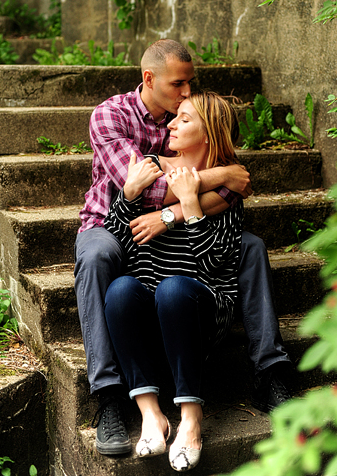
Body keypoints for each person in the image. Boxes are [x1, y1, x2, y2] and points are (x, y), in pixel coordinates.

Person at [74, 39, 292, 457]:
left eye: (191, 84)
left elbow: (228, 192)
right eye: (179, 84)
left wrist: (177, 211)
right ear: (149, 79)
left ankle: (271, 372)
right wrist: (221, 174)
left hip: (179, 225)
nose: (187, 93)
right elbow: (145, 189)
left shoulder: (188, 113)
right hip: (110, 223)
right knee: (99, 257)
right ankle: (109, 396)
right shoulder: (111, 115)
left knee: (250, 247)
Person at [103, 92, 243, 472]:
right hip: (150, 309)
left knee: (175, 289)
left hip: (201, 310)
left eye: (183, 119)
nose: (169, 125)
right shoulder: (150, 168)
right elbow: (117, 234)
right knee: (119, 290)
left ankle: (191, 417)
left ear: (209, 134)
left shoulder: (227, 190)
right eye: (174, 118)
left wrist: (191, 206)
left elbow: (217, 263)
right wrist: (129, 195)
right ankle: (152, 415)